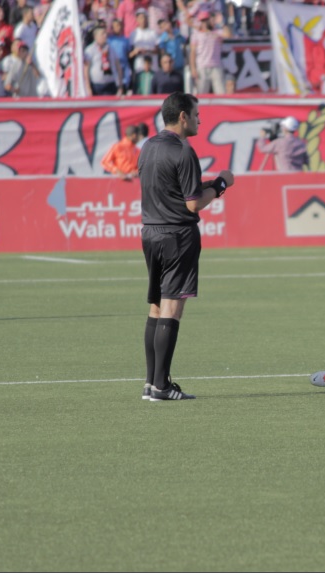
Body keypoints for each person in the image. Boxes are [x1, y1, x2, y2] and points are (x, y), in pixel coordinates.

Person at [138, 92, 235, 401]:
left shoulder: (148, 146)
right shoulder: (183, 150)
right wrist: (221, 184)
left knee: (156, 307)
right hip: (177, 236)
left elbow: (173, 189)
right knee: (171, 308)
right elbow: (193, 203)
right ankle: (162, 387)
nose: (199, 120)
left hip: (150, 232)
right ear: (182, 116)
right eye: (196, 115)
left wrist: (208, 185)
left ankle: (151, 383)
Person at [189, 10, 230, 95]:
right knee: (201, 93)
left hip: (216, 66)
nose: (204, 23)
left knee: (221, 93)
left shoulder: (216, 32)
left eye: (206, 20)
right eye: (202, 21)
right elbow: (192, 52)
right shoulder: (196, 34)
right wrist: (193, 68)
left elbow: (228, 35)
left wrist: (221, 23)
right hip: (202, 67)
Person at [84, 26, 122, 96]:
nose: (105, 36)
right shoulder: (90, 50)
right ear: (95, 36)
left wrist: (120, 86)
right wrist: (88, 87)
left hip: (110, 84)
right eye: (102, 34)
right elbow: (86, 69)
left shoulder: (111, 48)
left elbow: (118, 66)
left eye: (105, 33)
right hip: (96, 85)